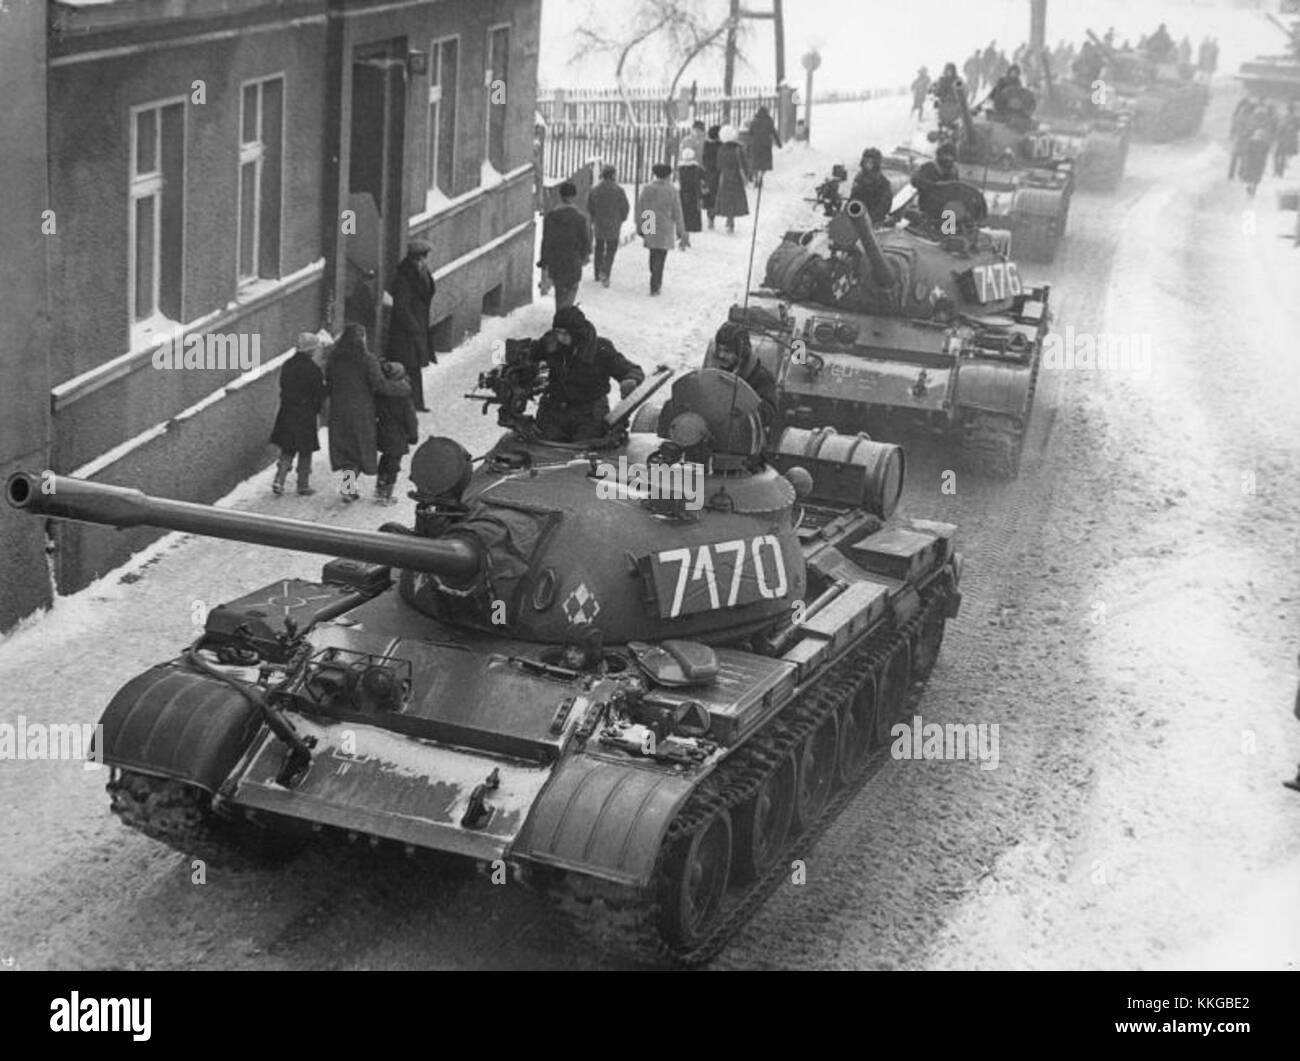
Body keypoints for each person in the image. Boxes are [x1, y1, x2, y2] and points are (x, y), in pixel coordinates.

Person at [529, 306, 644, 442]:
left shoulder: (600, 349)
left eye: (564, 334)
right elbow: (526, 354)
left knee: (584, 455)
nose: (560, 338)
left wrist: (630, 380)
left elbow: (632, 370)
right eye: (557, 332)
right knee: (543, 450)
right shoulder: (552, 343)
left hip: (589, 414)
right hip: (555, 411)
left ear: (577, 333)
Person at [326, 323, 411, 502]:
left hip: (338, 411)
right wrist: (401, 388)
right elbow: (379, 385)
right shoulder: (367, 359)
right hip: (361, 411)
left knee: (347, 450)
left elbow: (330, 381)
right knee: (358, 450)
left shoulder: (334, 358)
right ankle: (347, 489)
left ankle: (348, 488)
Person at [269, 332, 327, 496]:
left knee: (288, 448)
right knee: (305, 450)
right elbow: (319, 393)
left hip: (287, 411)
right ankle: (303, 484)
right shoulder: (313, 369)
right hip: (305, 414)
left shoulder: (288, 365)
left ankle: (279, 480)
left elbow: (283, 386)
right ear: (310, 350)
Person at [386, 239, 435, 411]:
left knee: (413, 368)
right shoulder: (404, 277)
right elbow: (402, 308)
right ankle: (409, 404)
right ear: (417, 258)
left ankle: (416, 403)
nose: (426, 261)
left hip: (417, 327)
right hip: (405, 332)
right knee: (408, 367)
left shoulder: (421, 273)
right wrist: (414, 327)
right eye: (424, 257)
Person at [636, 162, 689, 296]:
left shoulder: (647, 188)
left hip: (649, 220)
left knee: (653, 251)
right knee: (661, 253)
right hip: (665, 223)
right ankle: (656, 282)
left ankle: (654, 275)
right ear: (668, 175)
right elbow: (678, 211)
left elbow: (640, 207)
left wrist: (640, 225)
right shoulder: (672, 190)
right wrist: (681, 230)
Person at [538, 180, 591, 309]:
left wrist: (545, 260)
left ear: (560, 196)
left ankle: (560, 316)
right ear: (574, 197)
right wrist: (584, 256)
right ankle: (565, 316)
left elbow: (546, 240)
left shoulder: (551, 217)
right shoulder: (580, 218)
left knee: (559, 292)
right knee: (571, 290)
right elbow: (585, 241)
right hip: (573, 260)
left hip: (557, 261)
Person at [713, 322, 776, 427]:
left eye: (727, 351)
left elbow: (769, 413)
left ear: (741, 352)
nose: (721, 355)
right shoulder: (716, 370)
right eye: (719, 349)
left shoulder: (761, 377)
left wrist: (743, 411)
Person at [374, 361, 420, 504]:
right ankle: (387, 494)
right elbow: (410, 419)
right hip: (398, 435)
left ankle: (379, 486)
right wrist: (413, 435)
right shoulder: (404, 397)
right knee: (393, 465)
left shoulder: (380, 394)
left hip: (382, 431)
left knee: (385, 459)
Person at [587, 165, 630, 287]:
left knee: (599, 247)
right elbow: (625, 207)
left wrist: (595, 217)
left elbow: (590, 206)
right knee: (611, 249)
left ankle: (597, 272)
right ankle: (605, 271)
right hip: (613, 224)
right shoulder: (619, 191)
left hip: (599, 223)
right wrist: (621, 218)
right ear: (613, 175)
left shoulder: (595, 190)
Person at [714, 125, 751, 234]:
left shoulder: (721, 149)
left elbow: (718, 165)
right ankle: (731, 220)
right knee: (735, 199)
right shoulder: (738, 149)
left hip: (725, 177)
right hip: (736, 177)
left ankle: (729, 219)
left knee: (727, 199)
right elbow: (745, 163)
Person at [911, 142, 962, 219]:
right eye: (945, 155)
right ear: (939, 155)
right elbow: (915, 180)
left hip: (947, 206)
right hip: (928, 204)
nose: (948, 158)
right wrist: (934, 185)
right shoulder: (929, 166)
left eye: (951, 156)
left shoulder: (954, 170)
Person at [850, 148, 894, 224]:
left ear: (876, 163)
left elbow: (884, 207)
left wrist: (869, 218)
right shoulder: (859, 179)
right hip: (858, 217)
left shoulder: (883, 183)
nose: (867, 164)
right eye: (866, 161)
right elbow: (853, 199)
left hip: (874, 221)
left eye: (871, 162)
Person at [748, 105, 781, 176]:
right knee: (765, 163)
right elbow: (774, 132)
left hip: (756, 145)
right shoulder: (769, 121)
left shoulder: (754, 121)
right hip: (766, 145)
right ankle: (762, 175)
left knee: (756, 162)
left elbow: (750, 133)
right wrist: (779, 144)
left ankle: (756, 175)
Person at [677, 146, 704, 233]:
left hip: (683, 191)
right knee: (694, 209)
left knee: (684, 209)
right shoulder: (697, 168)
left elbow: (678, 181)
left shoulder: (680, 169)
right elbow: (703, 179)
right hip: (694, 191)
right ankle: (694, 226)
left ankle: (685, 225)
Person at [702, 124, 722, 229]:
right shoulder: (721, 145)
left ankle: (710, 217)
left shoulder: (706, 145)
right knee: (717, 196)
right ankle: (715, 217)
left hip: (708, 174)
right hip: (718, 173)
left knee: (710, 197)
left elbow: (703, 159)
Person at [1240, 127, 1271, 196]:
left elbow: (1246, 153)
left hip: (1251, 162)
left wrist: (1245, 162)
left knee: (1249, 177)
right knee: (1256, 177)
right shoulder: (1265, 144)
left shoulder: (1250, 142)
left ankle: (1249, 187)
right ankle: (1253, 189)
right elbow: (1265, 154)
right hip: (1259, 162)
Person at [1275, 105, 1298, 177]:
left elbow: (1279, 127)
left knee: (1278, 155)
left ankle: (1278, 170)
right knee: (1282, 156)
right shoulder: (1294, 118)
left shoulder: (1285, 117)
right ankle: (1280, 171)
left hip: (1282, 139)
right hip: (1287, 140)